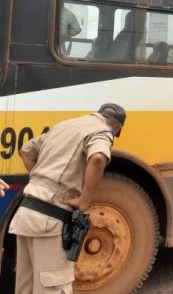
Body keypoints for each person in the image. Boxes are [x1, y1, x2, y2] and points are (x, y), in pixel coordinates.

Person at [8, 103, 126, 294]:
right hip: (50, 220)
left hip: (25, 215)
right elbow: (97, 158)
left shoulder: (64, 125)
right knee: (53, 287)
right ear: (117, 127)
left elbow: (26, 151)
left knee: (26, 287)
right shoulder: (103, 130)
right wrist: (84, 199)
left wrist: (41, 183)